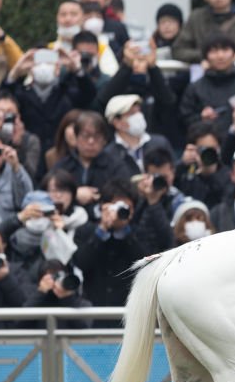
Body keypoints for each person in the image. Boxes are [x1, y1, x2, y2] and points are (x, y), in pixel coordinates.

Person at [72, 179, 151, 312]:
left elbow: (145, 264)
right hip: (94, 309)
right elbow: (81, 263)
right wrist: (101, 232)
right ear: (103, 206)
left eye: (126, 208)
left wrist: (126, 234)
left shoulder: (139, 232)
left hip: (128, 310)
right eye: (115, 205)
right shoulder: (86, 231)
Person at [2, 48, 96, 154]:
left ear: (57, 69)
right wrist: (16, 71)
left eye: (49, 63)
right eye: (39, 64)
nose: (44, 67)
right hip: (30, 153)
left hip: (62, 154)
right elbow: (4, 98)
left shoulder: (67, 93)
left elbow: (89, 94)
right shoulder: (22, 95)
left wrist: (76, 69)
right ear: (31, 70)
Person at [178, 33, 235, 133]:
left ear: (234, 54)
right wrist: (201, 119)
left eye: (225, 50)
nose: (220, 56)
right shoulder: (195, 88)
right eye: (214, 51)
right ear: (206, 57)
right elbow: (185, 119)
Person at [55, 111, 126, 209]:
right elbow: (51, 193)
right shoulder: (62, 166)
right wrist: (74, 195)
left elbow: (124, 196)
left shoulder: (116, 166)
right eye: (85, 136)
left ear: (104, 140)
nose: (91, 141)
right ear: (76, 137)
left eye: (97, 137)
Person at [103, 94, 174, 176]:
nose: (138, 116)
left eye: (138, 111)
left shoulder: (160, 143)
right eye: (132, 114)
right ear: (116, 122)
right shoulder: (109, 154)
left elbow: (172, 174)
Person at [175, 122, 231, 208]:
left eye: (212, 149)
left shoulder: (228, 175)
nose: (207, 153)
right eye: (202, 149)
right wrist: (182, 164)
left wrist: (210, 174)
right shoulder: (187, 173)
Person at [23, 259, 92, 328]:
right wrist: (41, 292)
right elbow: (21, 323)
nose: (57, 282)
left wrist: (67, 298)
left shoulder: (79, 302)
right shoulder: (34, 298)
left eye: (60, 276)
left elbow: (84, 326)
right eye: (53, 277)